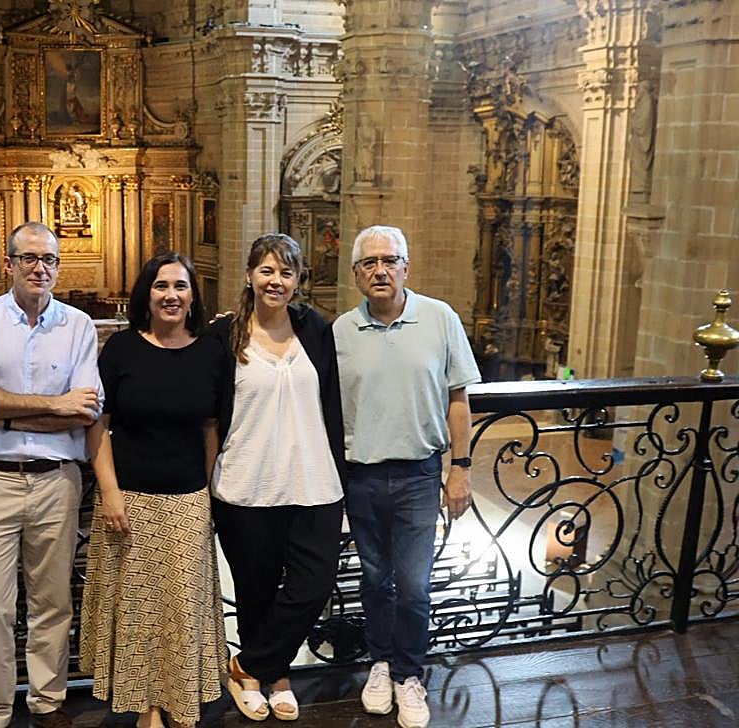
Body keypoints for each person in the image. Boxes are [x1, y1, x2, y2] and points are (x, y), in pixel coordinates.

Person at [0, 221, 103, 728]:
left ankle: (46, 700)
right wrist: (52, 406)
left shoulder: (78, 325)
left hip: (58, 480)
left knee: (53, 600)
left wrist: (7, 408)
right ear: (9, 263)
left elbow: (86, 409)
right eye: (29, 258)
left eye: (50, 260)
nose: (40, 268)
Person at [332, 225, 480, 728]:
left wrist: (459, 468)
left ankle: (410, 675)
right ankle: (379, 663)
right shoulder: (340, 332)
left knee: (415, 585)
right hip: (361, 475)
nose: (380, 270)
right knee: (375, 580)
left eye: (390, 260)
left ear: (406, 268)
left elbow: (459, 400)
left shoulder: (439, 318)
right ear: (356, 274)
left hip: (420, 474)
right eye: (370, 262)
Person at [80, 252, 229, 728]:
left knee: (180, 611)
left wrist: (206, 492)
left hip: (187, 499)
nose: (171, 295)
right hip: (130, 499)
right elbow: (98, 426)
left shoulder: (210, 352)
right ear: (146, 294)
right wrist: (110, 493)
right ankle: (146, 708)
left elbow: (212, 429)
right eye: (161, 285)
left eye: (180, 286)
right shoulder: (122, 349)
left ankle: (180, 702)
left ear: (192, 296)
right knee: (138, 612)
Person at [209, 233, 347, 723]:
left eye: (286, 272)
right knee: (256, 592)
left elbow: (333, 398)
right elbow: (208, 414)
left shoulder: (315, 328)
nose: (276, 280)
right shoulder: (224, 336)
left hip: (315, 481)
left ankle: (246, 666)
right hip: (245, 483)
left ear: (298, 280)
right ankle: (278, 676)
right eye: (267, 270)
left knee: (313, 585)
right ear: (249, 274)